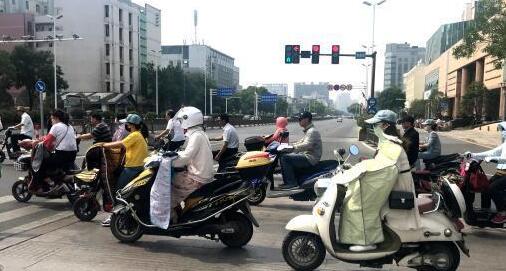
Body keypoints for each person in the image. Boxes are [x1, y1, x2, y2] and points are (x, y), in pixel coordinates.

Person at [335, 110, 417, 252]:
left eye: (375, 125)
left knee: (360, 203)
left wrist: (361, 169)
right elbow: (379, 164)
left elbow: (385, 168)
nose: (373, 128)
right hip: (389, 181)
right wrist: (357, 168)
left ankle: (367, 241)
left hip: (396, 185)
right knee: (354, 196)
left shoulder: (392, 145)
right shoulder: (387, 142)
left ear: (385, 125)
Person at [102, 113, 148, 226]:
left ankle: (114, 216)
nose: (125, 125)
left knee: (119, 192)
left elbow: (121, 144)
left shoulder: (134, 135)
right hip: (137, 167)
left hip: (132, 168)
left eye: (127, 124)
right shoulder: (139, 135)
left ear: (131, 125)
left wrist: (105, 145)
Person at [170, 106, 214, 221]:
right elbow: (188, 154)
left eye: (181, 121)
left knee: (168, 187)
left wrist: (168, 161)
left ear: (188, 119)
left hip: (198, 177)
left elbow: (186, 157)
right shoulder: (200, 133)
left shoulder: (196, 136)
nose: (180, 124)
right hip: (201, 174)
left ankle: (173, 218)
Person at [465, 121, 506, 224]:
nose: (502, 133)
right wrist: (473, 155)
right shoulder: (505, 144)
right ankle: (485, 211)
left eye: (503, 130)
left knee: (493, 188)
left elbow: (501, 159)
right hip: (501, 173)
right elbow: (492, 152)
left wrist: (493, 159)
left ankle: (503, 213)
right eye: (501, 130)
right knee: (485, 187)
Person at [29, 109, 78, 192]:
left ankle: (49, 183)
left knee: (39, 163)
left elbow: (47, 143)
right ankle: (57, 180)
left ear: (56, 118)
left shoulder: (56, 126)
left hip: (62, 155)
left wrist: (37, 143)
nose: (51, 121)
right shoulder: (70, 126)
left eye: (52, 119)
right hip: (72, 155)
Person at [278, 111, 322, 190]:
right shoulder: (309, 130)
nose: (299, 120)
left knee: (285, 158)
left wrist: (292, 148)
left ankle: (291, 183)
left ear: (307, 119)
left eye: (301, 119)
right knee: (284, 155)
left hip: (310, 158)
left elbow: (306, 145)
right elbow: (301, 142)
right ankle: (289, 181)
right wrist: (289, 145)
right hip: (307, 155)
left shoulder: (312, 131)